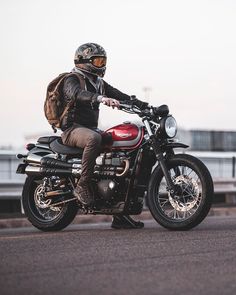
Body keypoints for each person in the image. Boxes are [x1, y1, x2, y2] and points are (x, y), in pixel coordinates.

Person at [61, 42, 145, 229]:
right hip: (72, 130)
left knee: (120, 146)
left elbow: (120, 95)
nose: (101, 65)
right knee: (94, 139)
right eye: (97, 61)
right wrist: (99, 98)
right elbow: (75, 94)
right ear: (84, 61)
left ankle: (119, 213)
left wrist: (144, 106)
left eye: (102, 61)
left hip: (90, 128)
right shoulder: (71, 78)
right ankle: (83, 185)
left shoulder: (98, 83)